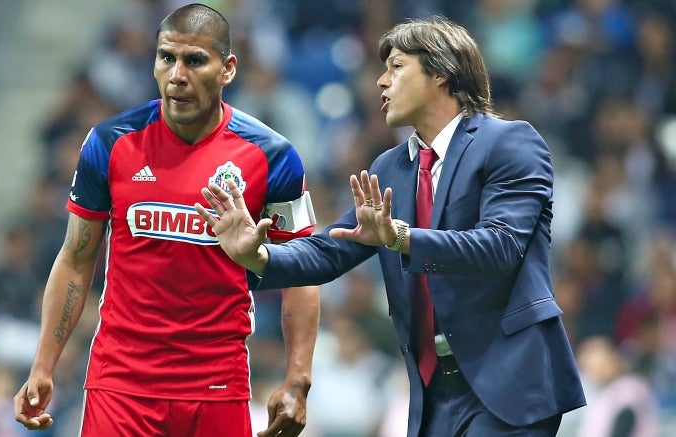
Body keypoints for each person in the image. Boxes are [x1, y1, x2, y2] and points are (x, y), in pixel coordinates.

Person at [197, 16, 586, 436]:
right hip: (433, 393)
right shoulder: (391, 167)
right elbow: (332, 248)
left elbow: (500, 247)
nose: (380, 82)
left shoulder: (510, 143)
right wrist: (257, 255)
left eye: (396, 67)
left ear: (441, 72)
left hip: (509, 384)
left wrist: (400, 237)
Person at [13, 4, 319, 437]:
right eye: (166, 57)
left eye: (195, 60)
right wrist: (44, 365)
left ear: (228, 68)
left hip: (216, 386)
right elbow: (76, 259)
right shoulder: (109, 143)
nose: (178, 74)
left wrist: (297, 380)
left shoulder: (273, 157)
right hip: (121, 387)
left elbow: (302, 272)